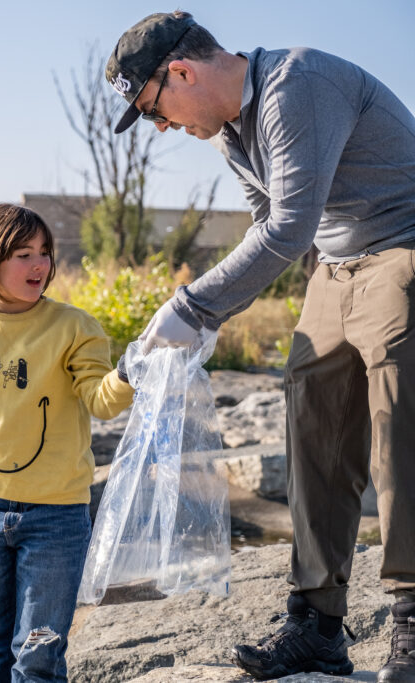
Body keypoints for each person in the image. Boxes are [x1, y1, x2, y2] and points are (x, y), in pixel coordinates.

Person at [107, 10, 415, 682]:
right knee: (313, 416)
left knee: (400, 429)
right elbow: (269, 227)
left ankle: (412, 617)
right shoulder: (227, 132)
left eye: (154, 109)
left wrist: (192, 305)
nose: (162, 127)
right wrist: (213, 319)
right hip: (335, 265)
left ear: (181, 72)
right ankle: (317, 624)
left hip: (404, 245)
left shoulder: (295, 86)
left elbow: (291, 222)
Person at [0, 203, 134, 681]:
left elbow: (101, 401)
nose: (39, 264)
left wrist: (131, 369)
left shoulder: (74, 328)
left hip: (56, 519)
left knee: (37, 654)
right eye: (23, 254)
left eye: (44, 252)